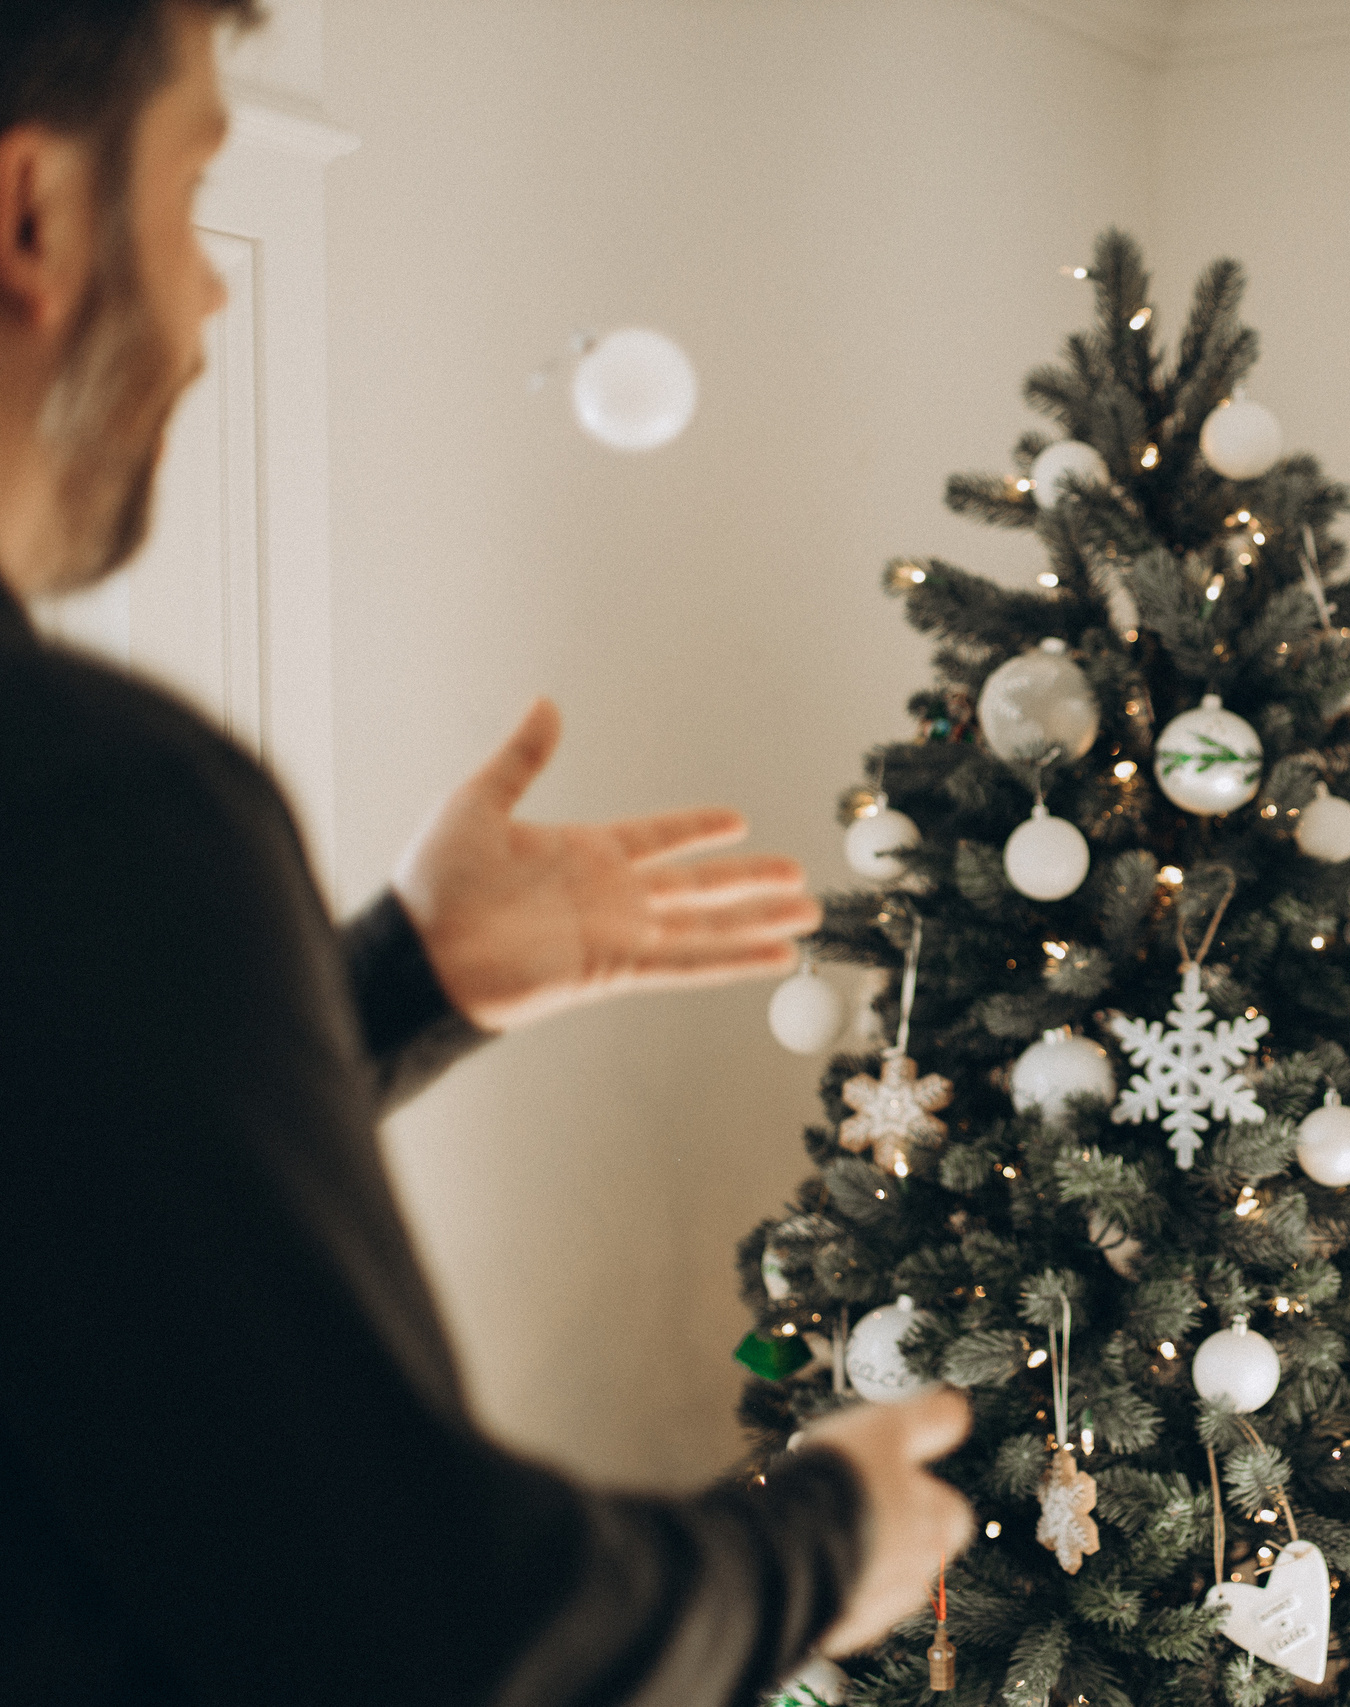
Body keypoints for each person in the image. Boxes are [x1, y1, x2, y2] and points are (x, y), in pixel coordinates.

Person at [0, 5, 974, 1704]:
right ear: (36, 220)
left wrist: (396, 982)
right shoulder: (106, 803)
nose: (212, 295)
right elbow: (434, 1625)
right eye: (190, 188)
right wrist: (828, 1542)